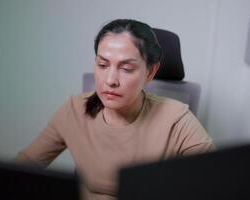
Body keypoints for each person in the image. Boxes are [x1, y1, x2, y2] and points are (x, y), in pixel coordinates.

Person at [15, 19, 215, 200]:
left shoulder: (177, 120)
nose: (110, 80)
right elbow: (23, 167)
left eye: (126, 69)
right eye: (102, 65)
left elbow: (216, 183)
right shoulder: (75, 110)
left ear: (150, 71)